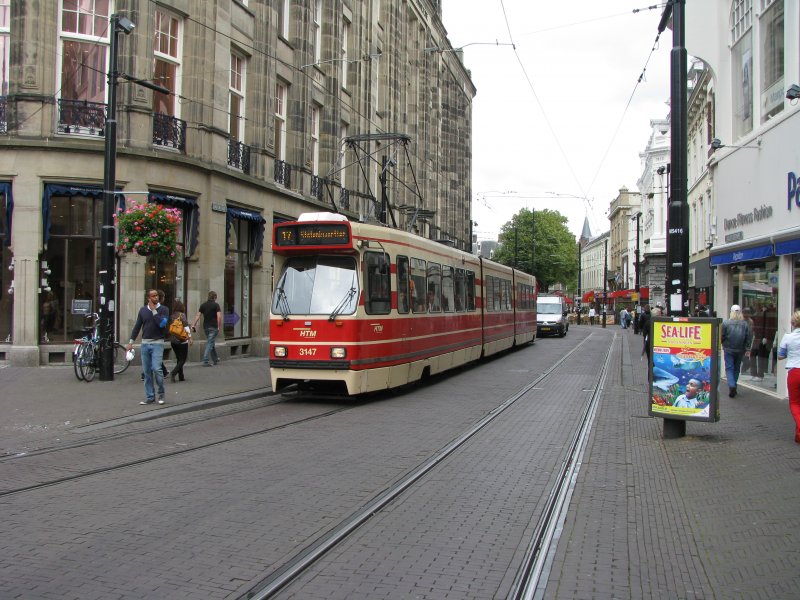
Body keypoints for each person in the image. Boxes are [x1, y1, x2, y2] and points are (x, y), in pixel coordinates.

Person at [126, 289, 170, 405]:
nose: (156, 297)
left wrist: (154, 311)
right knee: (147, 372)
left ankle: (161, 395)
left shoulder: (164, 310)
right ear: (148, 298)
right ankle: (150, 396)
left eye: (156, 295)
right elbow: (137, 327)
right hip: (145, 343)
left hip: (157, 343)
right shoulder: (143, 310)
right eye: (153, 296)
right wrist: (130, 342)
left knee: (157, 368)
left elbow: (162, 324)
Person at [777, 310, 800, 444]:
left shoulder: (788, 337)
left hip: (794, 372)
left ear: (792, 323)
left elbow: (780, 355)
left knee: (795, 403)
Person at [721, 304, 753, 398]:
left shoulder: (726, 323)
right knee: (736, 368)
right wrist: (747, 348)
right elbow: (748, 337)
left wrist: (722, 343)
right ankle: (734, 384)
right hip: (740, 349)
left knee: (729, 368)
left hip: (728, 349)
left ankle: (731, 385)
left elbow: (722, 336)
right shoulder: (745, 324)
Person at [193, 290, 222, 366]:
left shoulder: (203, 305)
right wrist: (219, 326)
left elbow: (198, 316)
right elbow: (219, 316)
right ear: (215, 297)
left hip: (206, 327)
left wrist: (193, 324)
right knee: (210, 343)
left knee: (211, 342)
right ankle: (205, 360)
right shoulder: (216, 305)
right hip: (214, 326)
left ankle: (215, 359)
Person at [168, 299, 192, 382]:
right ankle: (173, 373)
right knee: (183, 359)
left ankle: (181, 376)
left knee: (179, 358)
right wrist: (190, 337)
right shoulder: (182, 315)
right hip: (182, 340)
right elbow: (186, 327)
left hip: (173, 341)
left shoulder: (172, 316)